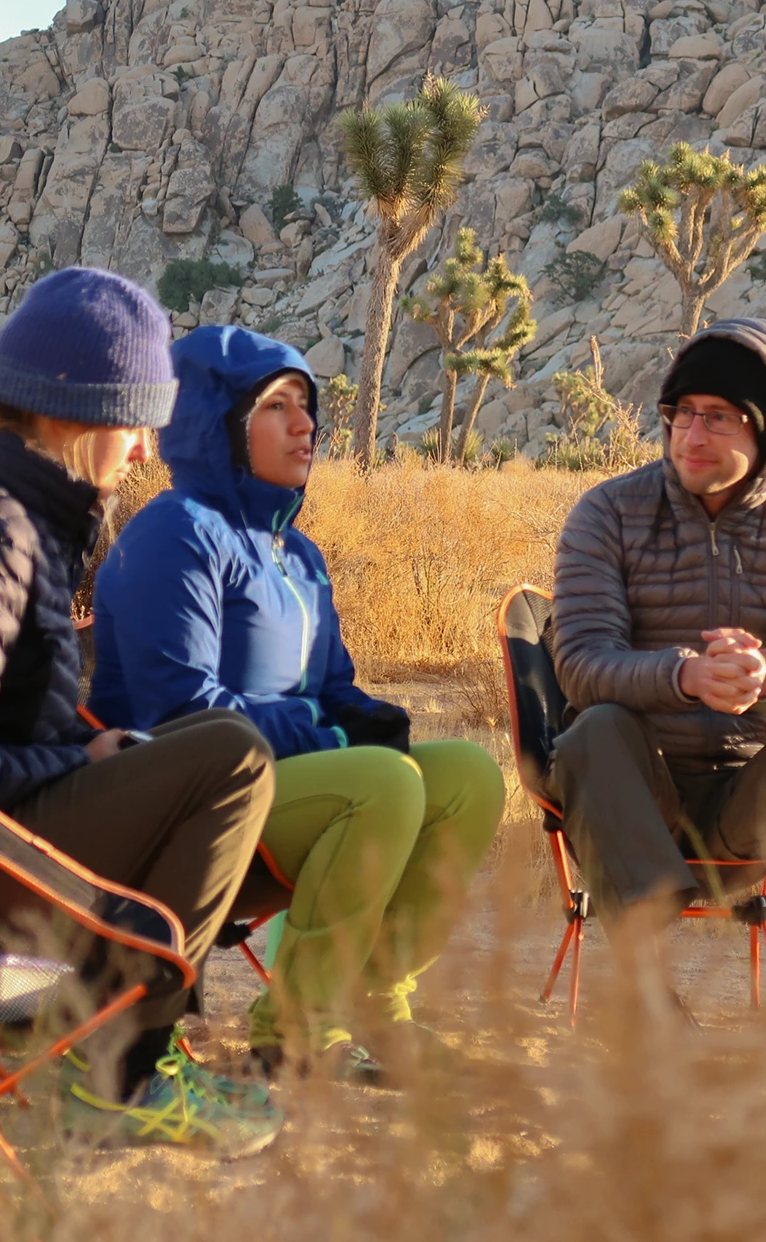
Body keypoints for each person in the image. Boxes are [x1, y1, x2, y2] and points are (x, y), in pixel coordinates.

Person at [0, 267, 283, 1156]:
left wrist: (89, 746)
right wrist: (83, 763)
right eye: (136, 424)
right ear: (78, 415)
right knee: (231, 756)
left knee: (206, 741)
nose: (145, 453)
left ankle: (129, 1047)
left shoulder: (11, 520)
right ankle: (125, 1071)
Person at [89, 325, 505, 1084]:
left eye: (305, 406)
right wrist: (327, 731)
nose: (304, 424)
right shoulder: (176, 535)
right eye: (276, 407)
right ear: (217, 424)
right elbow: (184, 710)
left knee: (468, 776)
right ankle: (294, 1031)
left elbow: (330, 685)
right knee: (382, 782)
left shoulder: (298, 552)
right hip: (192, 797)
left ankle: (375, 1002)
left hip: (284, 780)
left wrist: (363, 715)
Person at [548, 317, 766, 991]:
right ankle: (647, 995)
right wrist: (685, 675)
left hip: (749, 802)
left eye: (719, 418)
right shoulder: (608, 513)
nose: (692, 435)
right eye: (683, 413)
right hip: (636, 796)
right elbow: (581, 663)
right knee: (595, 727)